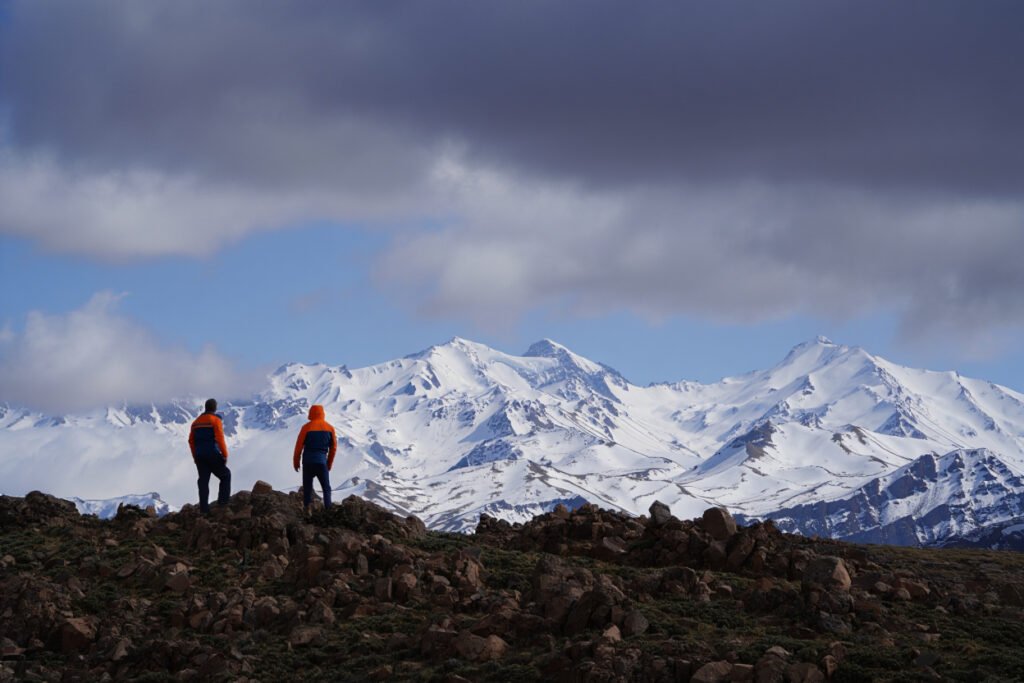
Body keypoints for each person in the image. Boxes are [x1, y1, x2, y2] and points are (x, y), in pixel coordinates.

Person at [188, 398, 231, 514]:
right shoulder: (215, 420)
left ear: (206, 407)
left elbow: (191, 441)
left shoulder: (195, 422)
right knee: (225, 475)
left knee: (203, 481)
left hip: (200, 456)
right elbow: (220, 439)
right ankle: (222, 503)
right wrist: (225, 455)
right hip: (212, 454)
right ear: (215, 408)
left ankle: (204, 509)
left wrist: (195, 456)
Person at [293, 404, 337, 513]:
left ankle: (307, 511)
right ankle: (328, 511)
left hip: (308, 462)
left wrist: (296, 462)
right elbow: (334, 448)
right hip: (322, 463)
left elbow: (298, 446)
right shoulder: (330, 428)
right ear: (322, 414)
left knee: (307, 489)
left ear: (311, 413)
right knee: (326, 488)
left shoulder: (306, 427)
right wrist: (329, 464)